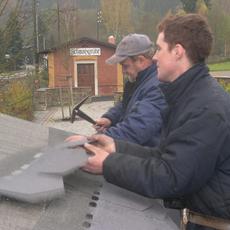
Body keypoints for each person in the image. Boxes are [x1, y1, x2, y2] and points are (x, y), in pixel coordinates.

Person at [78, 14, 230, 230]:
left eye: (159, 49)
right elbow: (165, 156)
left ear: (177, 51)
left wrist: (107, 164)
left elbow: (171, 176)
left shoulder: (205, 108)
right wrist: (115, 147)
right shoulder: (191, 96)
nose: (155, 57)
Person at [95, 33, 166, 147]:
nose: (123, 71)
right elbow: (125, 104)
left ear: (141, 60)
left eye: (125, 65)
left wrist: (95, 140)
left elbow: (138, 127)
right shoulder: (136, 82)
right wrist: (109, 118)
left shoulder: (157, 86)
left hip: (146, 156)